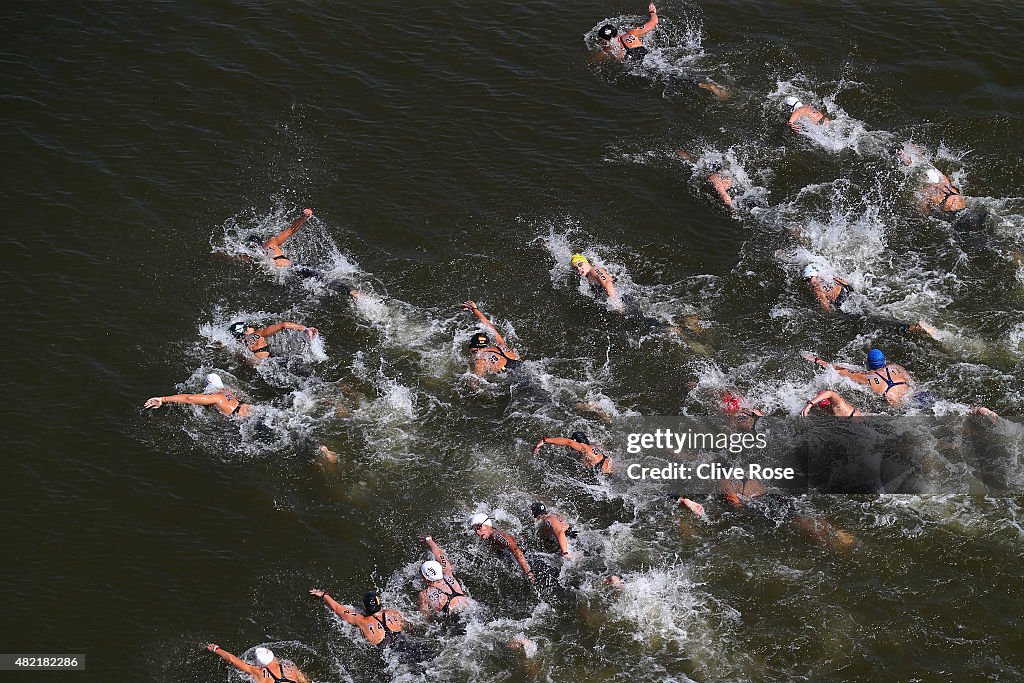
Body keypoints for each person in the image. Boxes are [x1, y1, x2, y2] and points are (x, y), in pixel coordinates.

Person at [801, 263, 939, 338]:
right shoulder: (830, 276)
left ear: (814, 276)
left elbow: (827, 309)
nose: (807, 283)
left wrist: (830, 317)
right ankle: (909, 326)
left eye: (808, 279)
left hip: (847, 305)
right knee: (877, 313)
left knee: (877, 324)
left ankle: (913, 327)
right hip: (853, 295)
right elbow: (848, 284)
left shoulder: (817, 288)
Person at [308, 588, 435, 663]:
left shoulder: (361, 620)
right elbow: (410, 626)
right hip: (406, 642)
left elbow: (337, 608)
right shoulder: (393, 613)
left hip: (390, 653)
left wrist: (324, 595)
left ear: (366, 606)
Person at [802, 348, 923, 409]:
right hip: (914, 397)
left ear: (869, 364)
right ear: (884, 360)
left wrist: (817, 360)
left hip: (897, 406)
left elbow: (839, 370)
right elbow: (912, 382)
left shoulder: (866, 377)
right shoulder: (896, 367)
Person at [143, 373, 251, 417]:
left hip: (246, 421)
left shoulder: (215, 397)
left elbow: (189, 398)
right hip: (253, 411)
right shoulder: (227, 392)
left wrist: (163, 399)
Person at [469, 513, 536, 584]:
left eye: (479, 527)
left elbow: (516, 550)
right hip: (513, 557)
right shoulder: (489, 536)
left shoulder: (497, 536)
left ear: (487, 524)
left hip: (525, 557)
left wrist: (529, 573)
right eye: (475, 530)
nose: (477, 532)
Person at [463, 300, 522, 376]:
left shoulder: (481, 360)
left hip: (513, 378)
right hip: (522, 367)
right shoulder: (501, 345)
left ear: (474, 349)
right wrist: (475, 310)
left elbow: (475, 382)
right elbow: (489, 326)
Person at [418, 536, 471, 619]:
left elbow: (424, 618)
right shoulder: (447, 572)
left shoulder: (425, 594)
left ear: (425, 578)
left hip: (455, 619)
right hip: (470, 608)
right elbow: (439, 555)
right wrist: (429, 540)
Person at [205, 644, 308, 683]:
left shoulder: (258, 672)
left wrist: (215, 649)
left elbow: (232, 660)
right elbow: (305, 681)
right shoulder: (290, 668)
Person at [228, 321, 318, 360]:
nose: (251, 327)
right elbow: (284, 325)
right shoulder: (257, 334)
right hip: (274, 364)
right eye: (249, 326)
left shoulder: (240, 345)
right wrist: (306, 329)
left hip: (263, 369)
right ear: (245, 331)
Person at [533, 431, 613, 474]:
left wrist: (545, 440)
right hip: (605, 463)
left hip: (602, 470)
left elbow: (569, 442)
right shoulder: (592, 446)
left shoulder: (583, 447)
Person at [800, 390, 865, 417]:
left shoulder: (840, 408)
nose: (822, 411)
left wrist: (810, 404)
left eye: (823, 408)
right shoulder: (831, 412)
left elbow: (829, 393)